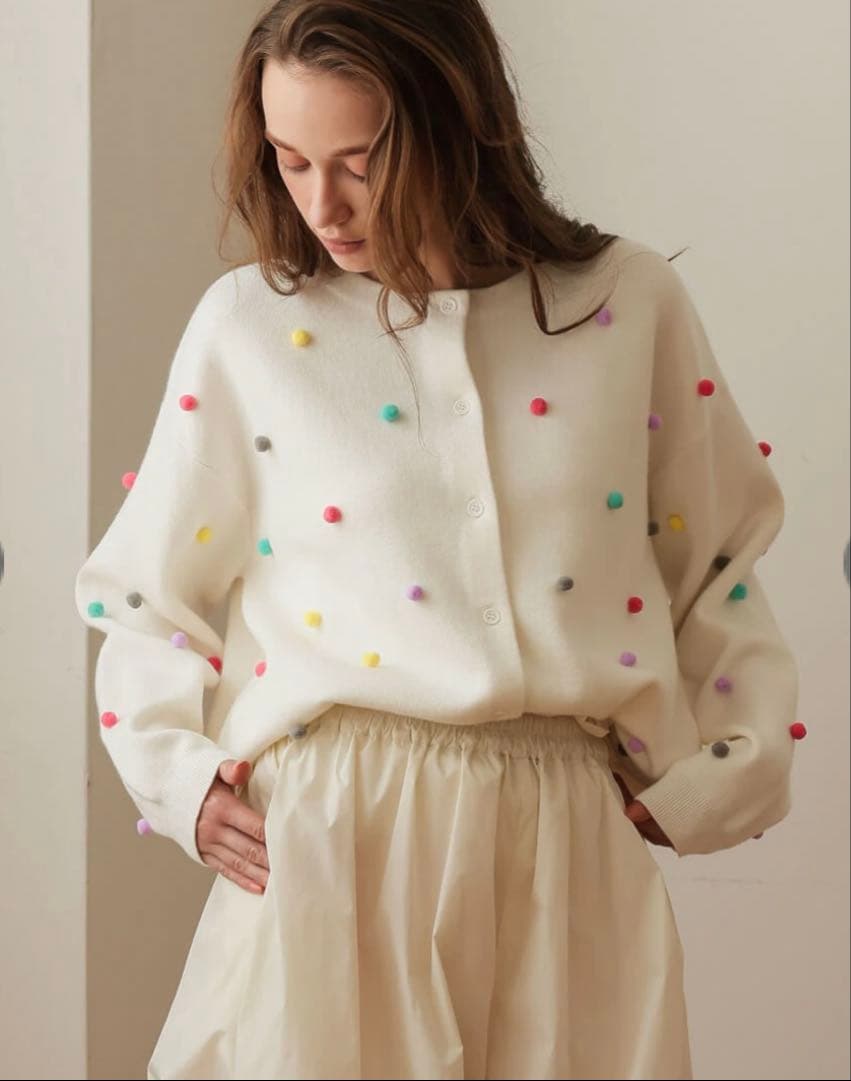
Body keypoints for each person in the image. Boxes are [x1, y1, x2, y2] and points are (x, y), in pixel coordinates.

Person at [74, 1, 804, 1078]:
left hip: (567, 847)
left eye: (359, 162)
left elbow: (718, 559)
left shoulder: (625, 303)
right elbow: (144, 596)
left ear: (458, 126)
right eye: (289, 160)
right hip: (332, 840)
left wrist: (727, 771)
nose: (320, 204)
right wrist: (181, 782)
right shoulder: (249, 327)